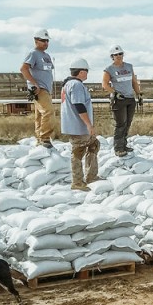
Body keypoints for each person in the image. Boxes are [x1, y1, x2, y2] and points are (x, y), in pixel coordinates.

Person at [60, 58, 100, 191]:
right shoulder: (76, 85)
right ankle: (77, 182)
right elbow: (79, 105)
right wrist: (89, 124)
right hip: (78, 126)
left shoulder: (68, 84)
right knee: (78, 152)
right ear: (82, 71)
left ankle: (91, 176)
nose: (87, 74)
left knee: (94, 144)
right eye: (86, 71)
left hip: (74, 125)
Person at [101, 45, 142, 157]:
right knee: (121, 124)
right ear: (112, 56)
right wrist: (114, 93)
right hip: (119, 100)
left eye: (120, 54)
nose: (118, 56)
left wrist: (138, 94)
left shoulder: (129, 66)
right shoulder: (109, 69)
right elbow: (104, 84)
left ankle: (124, 145)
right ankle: (118, 148)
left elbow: (134, 81)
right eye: (116, 54)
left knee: (128, 123)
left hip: (130, 99)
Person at [20, 29, 55, 148]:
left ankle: (40, 139)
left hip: (47, 89)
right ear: (36, 41)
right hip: (39, 89)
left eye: (47, 41)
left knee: (40, 115)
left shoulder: (47, 56)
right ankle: (45, 138)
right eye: (43, 40)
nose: (46, 43)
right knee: (48, 111)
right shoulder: (33, 54)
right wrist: (34, 84)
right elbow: (23, 69)